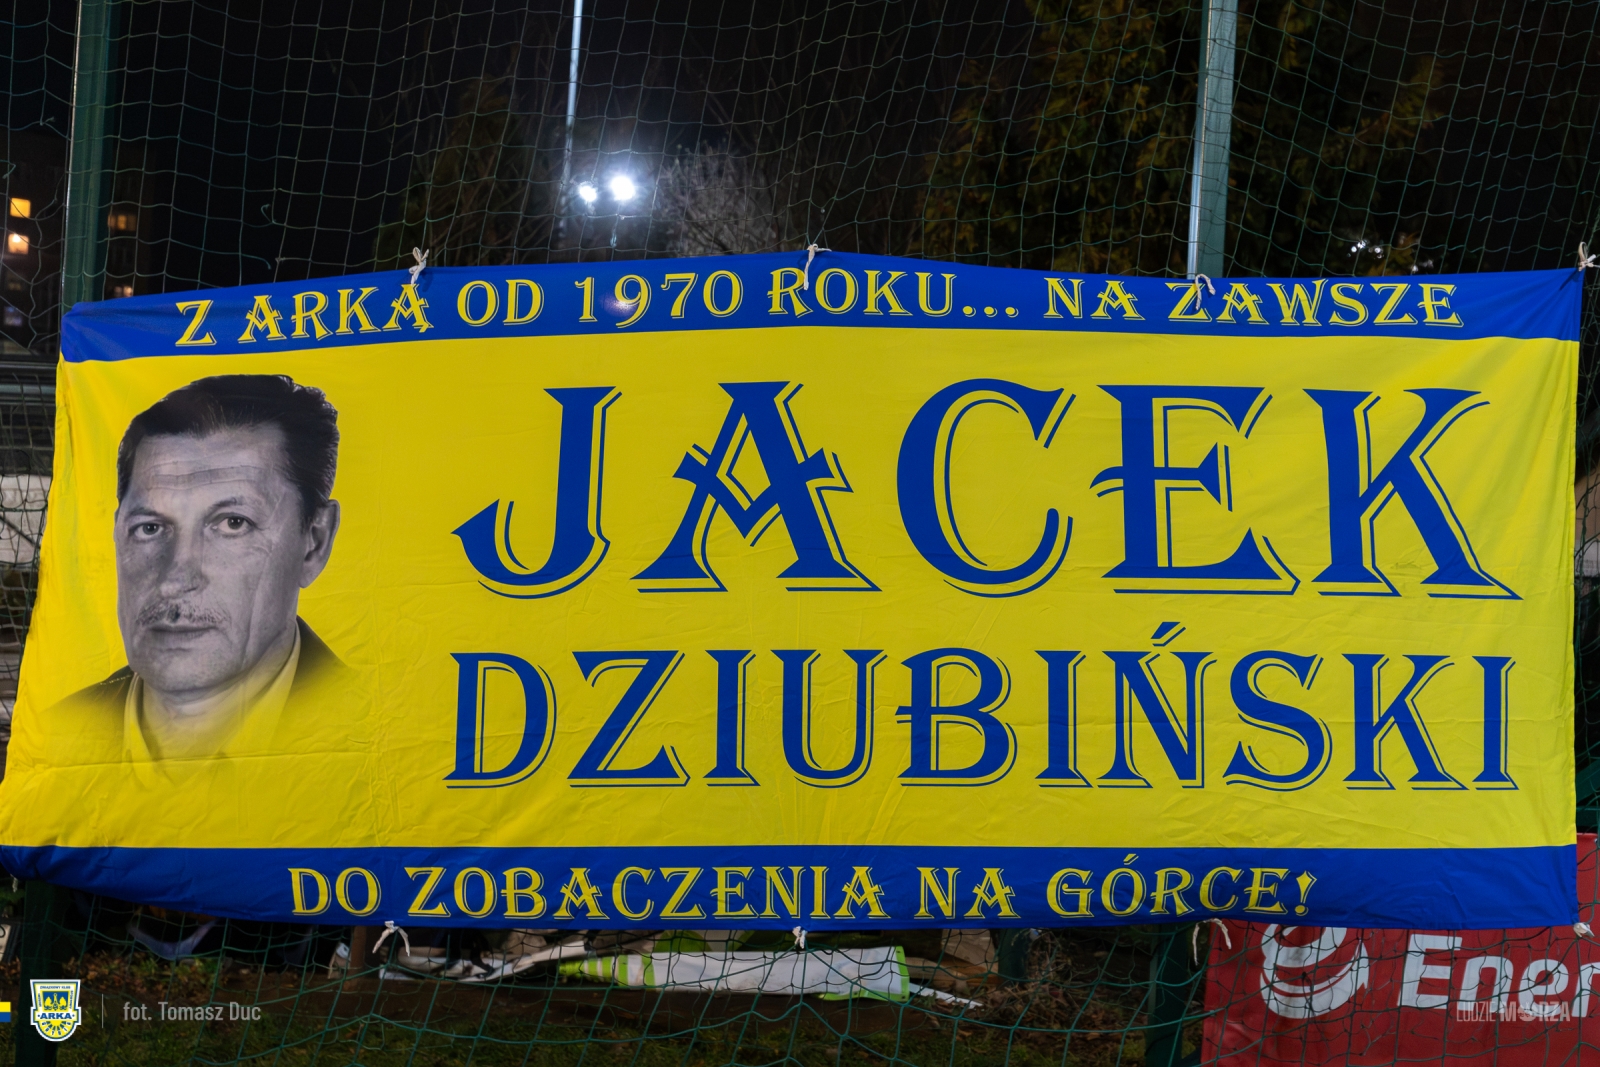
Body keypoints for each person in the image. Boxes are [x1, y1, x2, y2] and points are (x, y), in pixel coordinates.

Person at [52, 374, 350, 761]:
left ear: (315, 542)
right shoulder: (57, 734)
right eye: (150, 528)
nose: (175, 580)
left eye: (233, 524)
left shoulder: (383, 738)